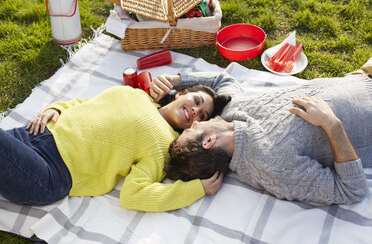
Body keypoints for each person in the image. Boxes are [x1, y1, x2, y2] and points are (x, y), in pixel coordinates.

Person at [150, 58, 372, 205]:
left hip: (360, 76)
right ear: (208, 140)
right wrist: (332, 124)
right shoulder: (272, 166)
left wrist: (175, 81)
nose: (195, 122)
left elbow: (222, 80)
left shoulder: (230, 115)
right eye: (193, 129)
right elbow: (351, 190)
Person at [0, 83, 230, 212]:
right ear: (181, 94)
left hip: (50, 170)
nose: (195, 111)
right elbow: (88, 103)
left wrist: (196, 189)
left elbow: (134, 195)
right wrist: (57, 108)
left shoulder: (163, 146)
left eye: (202, 115)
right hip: (34, 133)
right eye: (196, 101)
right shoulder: (136, 93)